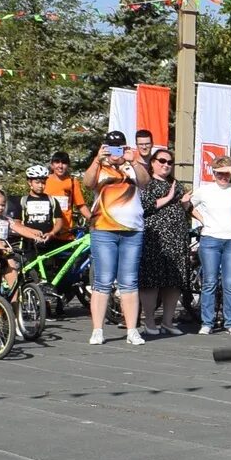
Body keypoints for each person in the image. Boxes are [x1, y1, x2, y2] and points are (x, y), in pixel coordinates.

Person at [83, 130, 145, 346]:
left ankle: (132, 330)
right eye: (111, 147)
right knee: (103, 281)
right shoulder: (100, 166)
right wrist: (96, 159)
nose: (115, 152)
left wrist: (134, 161)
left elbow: (145, 182)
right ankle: (97, 330)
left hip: (132, 231)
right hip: (103, 229)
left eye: (119, 147)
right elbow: (88, 183)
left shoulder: (131, 165)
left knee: (129, 282)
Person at [138, 145, 191, 336]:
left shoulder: (175, 183)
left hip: (177, 239)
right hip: (155, 240)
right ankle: (150, 321)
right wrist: (169, 197)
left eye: (170, 162)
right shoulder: (147, 183)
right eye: (162, 161)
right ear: (153, 163)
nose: (166, 165)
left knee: (173, 282)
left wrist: (185, 204)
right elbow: (144, 207)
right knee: (152, 282)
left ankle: (168, 321)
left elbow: (184, 209)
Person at [191, 159, 231, 334]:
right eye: (219, 173)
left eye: (226, 173)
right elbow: (188, 205)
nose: (223, 177)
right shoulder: (205, 190)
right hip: (210, 240)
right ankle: (207, 322)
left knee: (230, 283)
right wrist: (203, 220)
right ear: (213, 174)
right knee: (210, 282)